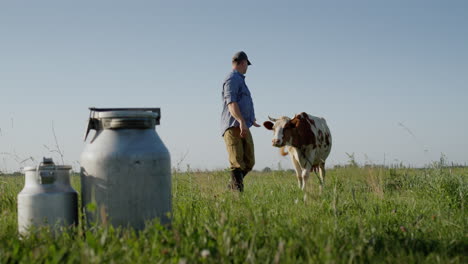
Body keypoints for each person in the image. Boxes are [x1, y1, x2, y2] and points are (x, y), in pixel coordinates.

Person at [220, 51, 260, 192]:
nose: (247, 67)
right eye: (246, 65)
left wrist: (250, 119)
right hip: (234, 126)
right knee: (237, 163)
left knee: (249, 161)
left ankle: (231, 187)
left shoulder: (240, 80)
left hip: (244, 124)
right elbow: (231, 103)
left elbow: (243, 103)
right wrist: (241, 121)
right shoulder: (231, 79)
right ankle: (237, 198)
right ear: (243, 63)